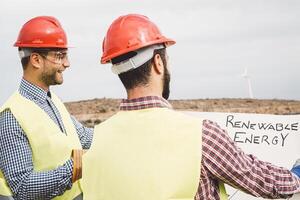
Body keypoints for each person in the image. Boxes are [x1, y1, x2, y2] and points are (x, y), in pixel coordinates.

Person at [82, 14, 300, 200]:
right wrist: (297, 174)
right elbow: (262, 180)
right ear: (158, 63)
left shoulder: (95, 141)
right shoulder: (201, 136)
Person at [0, 16, 93, 200]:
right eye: (60, 56)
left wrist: (117, 134)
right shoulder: (11, 116)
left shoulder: (53, 101)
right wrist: (75, 167)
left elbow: (82, 136)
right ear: (36, 60)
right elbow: (22, 186)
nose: (67, 63)